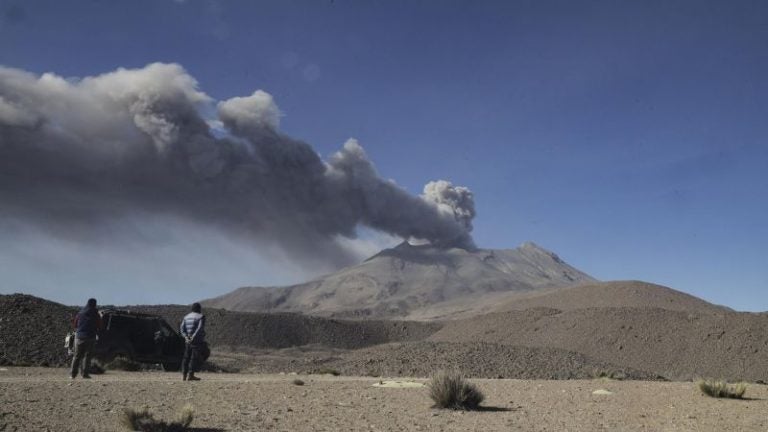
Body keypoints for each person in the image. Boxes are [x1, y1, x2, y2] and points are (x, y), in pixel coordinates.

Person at [70, 298, 102, 379]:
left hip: (79, 337)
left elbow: (75, 325)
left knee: (76, 356)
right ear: (94, 304)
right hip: (90, 337)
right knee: (87, 357)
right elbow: (99, 325)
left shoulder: (80, 313)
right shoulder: (96, 314)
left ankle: (72, 374)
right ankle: (85, 374)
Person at [180, 302, 206, 381]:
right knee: (193, 358)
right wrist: (194, 336)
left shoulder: (186, 317)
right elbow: (200, 328)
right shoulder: (201, 317)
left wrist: (186, 337)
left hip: (187, 340)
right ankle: (191, 375)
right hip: (196, 340)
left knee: (186, 357)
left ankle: (184, 375)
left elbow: (182, 329)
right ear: (199, 309)